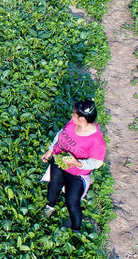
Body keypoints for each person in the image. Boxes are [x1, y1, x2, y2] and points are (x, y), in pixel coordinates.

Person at [40, 99, 106, 231]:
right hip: (59, 163)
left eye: (74, 114)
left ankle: (76, 229)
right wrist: (51, 149)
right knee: (54, 185)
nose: (71, 116)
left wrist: (77, 163)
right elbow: (61, 134)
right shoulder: (73, 123)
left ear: (82, 119)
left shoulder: (96, 141)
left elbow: (97, 162)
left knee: (72, 201)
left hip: (76, 173)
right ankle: (50, 207)